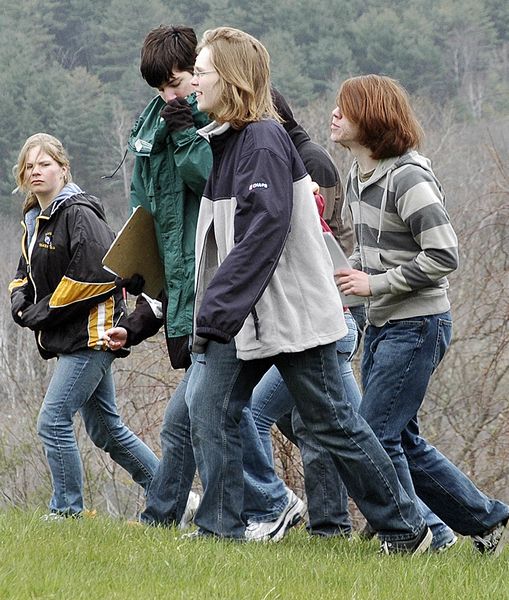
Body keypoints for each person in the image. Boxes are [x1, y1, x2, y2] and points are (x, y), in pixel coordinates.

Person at [184, 26, 431, 553]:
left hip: (292, 316)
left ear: (229, 79)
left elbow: (261, 235)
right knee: (209, 406)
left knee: (336, 423)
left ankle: (409, 530)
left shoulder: (264, 143)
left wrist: (213, 315)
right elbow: (224, 240)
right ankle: (220, 532)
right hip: (248, 317)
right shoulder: (228, 144)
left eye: (201, 73)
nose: (193, 83)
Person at [105, 24, 296, 531]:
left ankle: (268, 504)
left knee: (211, 408)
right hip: (184, 282)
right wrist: (139, 274)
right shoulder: (153, 123)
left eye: (179, 81)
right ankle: (166, 517)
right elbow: (145, 205)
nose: (171, 95)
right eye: (161, 88)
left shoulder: (222, 123)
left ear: (203, 70)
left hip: (220, 283)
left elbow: (210, 180)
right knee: (191, 416)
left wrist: (186, 132)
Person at [333, 74, 509, 555]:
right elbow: (373, 256)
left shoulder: (408, 177)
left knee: (375, 434)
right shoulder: (357, 174)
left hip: (418, 324)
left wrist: (376, 284)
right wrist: (345, 278)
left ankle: (411, 534)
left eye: (344, 109)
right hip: (382, 324)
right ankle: (486, 521)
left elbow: (445, 254)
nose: (334, 115)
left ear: (370, 119)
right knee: (401, 438)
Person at [9, 133, 159, 519]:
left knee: (53, 419)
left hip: (94, 334)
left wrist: (42, 312)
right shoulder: (35, 219)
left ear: (63, 168)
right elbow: (24, 272)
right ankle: (171, 495)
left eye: (44, 164)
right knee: (106, 430)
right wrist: (19, 299)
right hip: (71, 336)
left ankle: (66, 512)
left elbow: (95, 275)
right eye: (29, 166)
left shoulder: (79, 213)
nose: (36, 171)